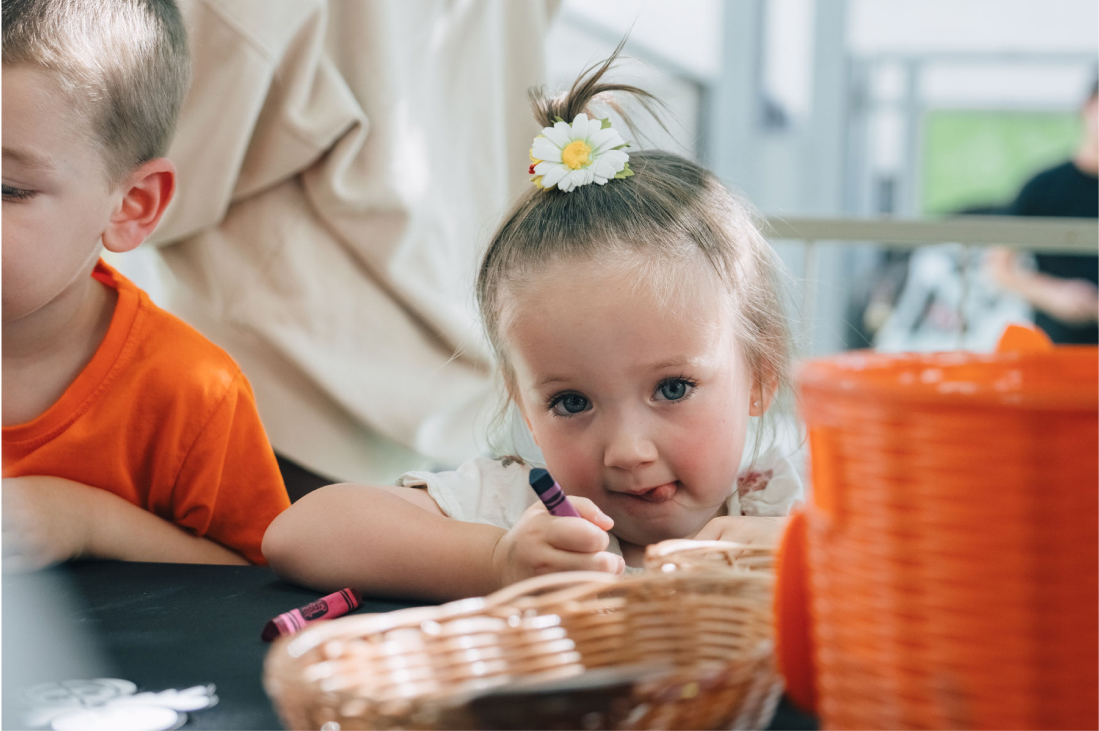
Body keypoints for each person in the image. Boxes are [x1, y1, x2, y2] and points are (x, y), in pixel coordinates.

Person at [261, 52, 804, 601]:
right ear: (522, 399)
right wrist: (496, 562)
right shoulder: (518, 511)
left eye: (672, 388)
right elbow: (298, 535)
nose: (628, 451)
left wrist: (809, 556)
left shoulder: (795, 505)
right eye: (571, 402)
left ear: (759, 373)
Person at [2, 0, 290, 571]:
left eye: (9, 189)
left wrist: (85, 520)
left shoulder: (194, 395)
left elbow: (261, 582)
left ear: (132, 205)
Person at [988, 78, 1099, 344]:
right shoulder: (1044, 187)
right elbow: (999, 267)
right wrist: (1054, 293)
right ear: (1088, 108)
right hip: (1056, 350)